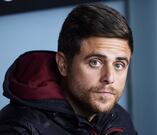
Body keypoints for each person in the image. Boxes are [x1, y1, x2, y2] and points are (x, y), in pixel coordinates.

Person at [0, 3, 137, 135]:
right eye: (95, 62)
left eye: (119, 65)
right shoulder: (18, 128)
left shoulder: (119, 119)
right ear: (63, 65)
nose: (109, 78)